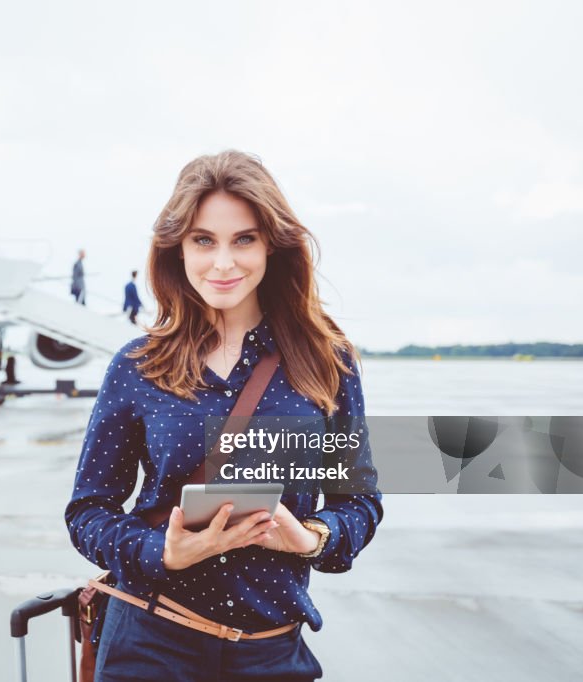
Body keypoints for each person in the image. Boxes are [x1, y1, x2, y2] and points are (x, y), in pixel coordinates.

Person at [65, 151, 382, 681]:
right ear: (178, 248)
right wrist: (160, 552)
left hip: (272, 652)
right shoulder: (139, 365)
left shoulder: (329, 361)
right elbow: (87, 511)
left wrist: (310, 537)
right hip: (150, 640)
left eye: (244, 239)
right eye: (203, 240)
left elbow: (359, 503)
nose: (223, 263)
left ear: (272, 247)